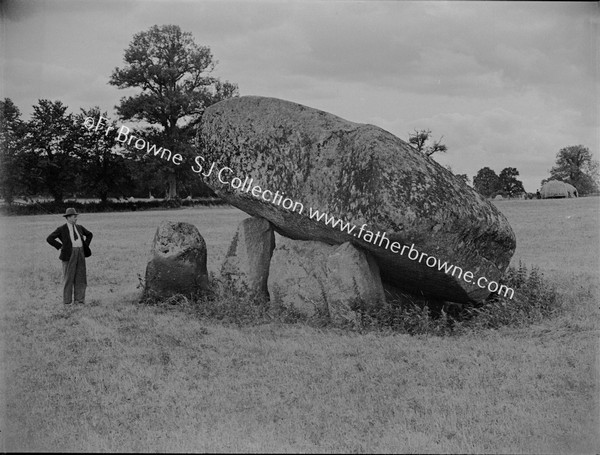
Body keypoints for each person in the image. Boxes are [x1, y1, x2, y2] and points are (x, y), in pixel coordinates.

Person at [46, 208, 93, 305]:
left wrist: (85, 245)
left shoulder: (79, 227)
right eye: (74, 216)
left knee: (81, 277)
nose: (76, 218)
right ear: (68, 218)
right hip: (68, 255)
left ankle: (79, 301)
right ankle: (67, 302)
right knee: (68, 279)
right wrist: (60, 246)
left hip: (80, 253)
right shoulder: (61, 229)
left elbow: (89, 234)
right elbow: (49, 238)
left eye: (76, 216)